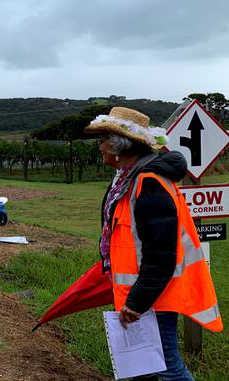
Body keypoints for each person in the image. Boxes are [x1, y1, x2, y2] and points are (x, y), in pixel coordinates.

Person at [85, 107, 222, 380]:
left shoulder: (147, 183)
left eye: (102, 139)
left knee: (167, 367)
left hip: (153, 295)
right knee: (142, 368)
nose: (99, 146)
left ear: (117, 146)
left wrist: (137, 302)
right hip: (143, 292)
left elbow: (160, 253)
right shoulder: (127, 177)